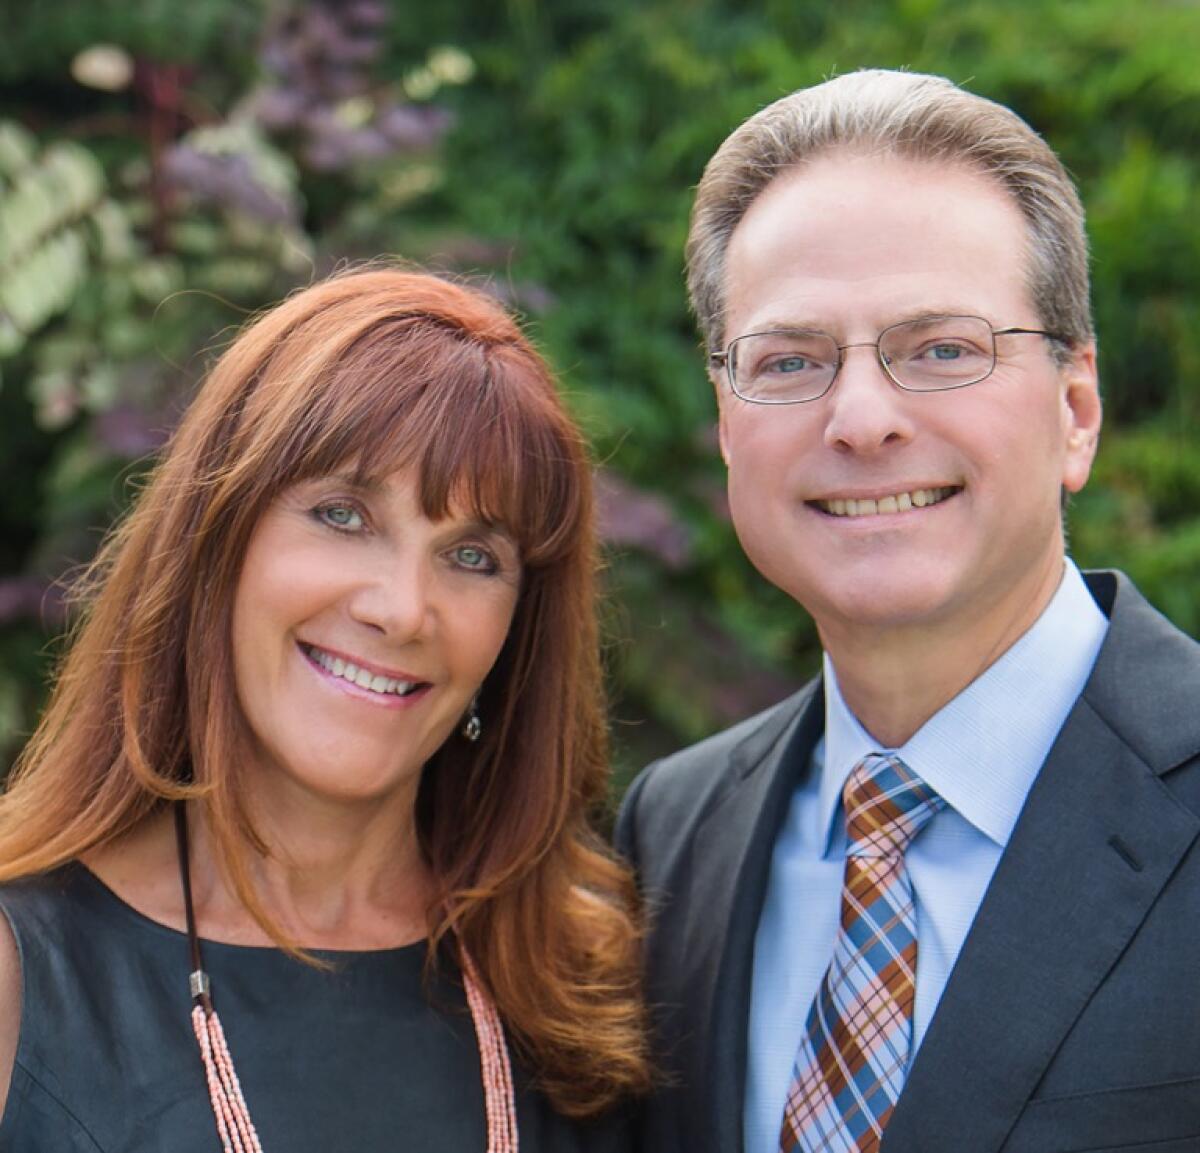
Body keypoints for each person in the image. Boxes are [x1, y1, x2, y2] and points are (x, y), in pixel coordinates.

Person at [617, 69, 1200, 1153]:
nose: (863, 418)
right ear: (728, 426)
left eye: (940, 348)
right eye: (789, 360)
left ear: (1076, 411)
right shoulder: (674, 834)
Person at [0, 267, 649, 1151]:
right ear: (214, 544)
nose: (402, 607)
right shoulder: (20, 975)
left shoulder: (582, 988)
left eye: (472, 556)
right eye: (343, 514)